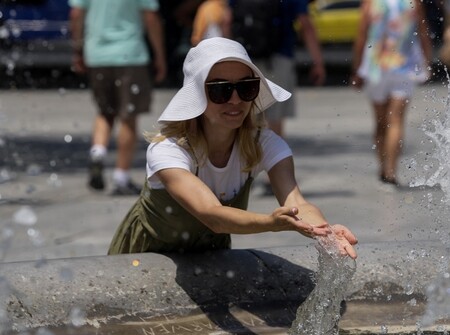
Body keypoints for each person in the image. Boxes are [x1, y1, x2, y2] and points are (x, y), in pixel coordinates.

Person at [108, 37, 357, 259]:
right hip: (144, 255)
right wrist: (270, 222)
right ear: (196, 96)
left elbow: (298, 203)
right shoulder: (168, 149)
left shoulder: (264, 143)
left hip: (211, 256)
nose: (235, 99)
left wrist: (324, 231)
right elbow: (212, 215)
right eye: (220, 90)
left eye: (246, 87)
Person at [69, 0, 167, 195]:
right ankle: (121, 177)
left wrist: (78, 49)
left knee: (105, 112)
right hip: (129, 54)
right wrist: (160, 56)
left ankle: (97, 153)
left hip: (96, 54)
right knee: (128, 117)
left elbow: (76, 15)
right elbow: (150, 17)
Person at [350, 0, 433, 186]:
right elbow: (423, 33)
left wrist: (356, 69)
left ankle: (383, 167)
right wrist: (427, 62)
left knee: (380, 121)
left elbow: (362, 36)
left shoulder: (370, 3)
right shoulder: (413, 2)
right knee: (396, 120)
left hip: (375, 67)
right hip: (403, 65)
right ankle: (391, 171)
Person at [229, 0, 326, 138]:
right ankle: (274, 158)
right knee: (275, 120)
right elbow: (305, 24)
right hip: (280, 58)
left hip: (246, 60)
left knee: (249, 117)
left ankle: (249, 157)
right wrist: (318, 63)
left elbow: (227, 19)